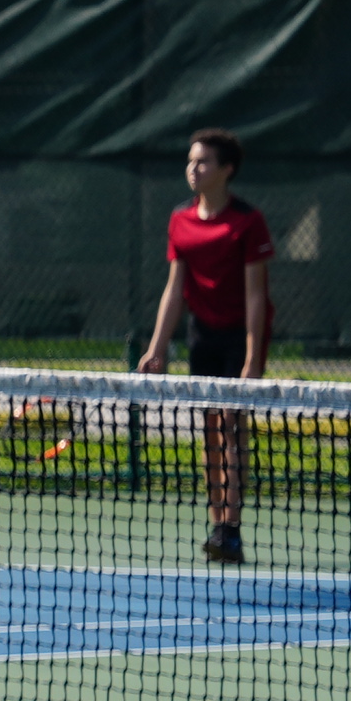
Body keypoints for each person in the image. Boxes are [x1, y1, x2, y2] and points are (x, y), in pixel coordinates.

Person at [132, 126, 280, 565]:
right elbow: (175, 290)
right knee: (210, 431)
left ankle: (231, 527)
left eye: (203, 162)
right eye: (190, 161)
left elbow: (257, 295)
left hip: (241, 337)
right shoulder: (180, 220)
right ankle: (217, 522)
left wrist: (254, 359)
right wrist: (157, 348)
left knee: (234, 431)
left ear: (226, 170)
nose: (193, 169)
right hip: (204, 337)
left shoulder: (247, 222)